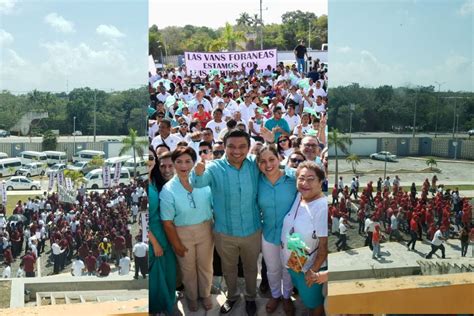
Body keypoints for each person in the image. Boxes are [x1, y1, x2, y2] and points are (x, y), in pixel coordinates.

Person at [192, 129, 261, 316]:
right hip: (224, 232)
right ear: (224, 146)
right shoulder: (214, 168)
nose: (236, 151)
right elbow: (198, 183)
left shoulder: (255, 165)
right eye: (231, 146)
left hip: (252, 230)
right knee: (228, 268)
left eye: (242, 146)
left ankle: (250, 297)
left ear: (249, 147)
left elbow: (277, 166)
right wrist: (197, 172)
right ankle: (232, 297)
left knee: (250, 268)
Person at [161, 147, 214, 312]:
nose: (183, 165)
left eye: (187, 161)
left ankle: (205, 294)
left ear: (193, 162)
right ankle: (191, 297)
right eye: (179, 161)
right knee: (187, 268)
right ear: (174, 164)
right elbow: (167, 222)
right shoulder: (168, 189)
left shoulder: (204, 181)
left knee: (205, 265)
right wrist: (176, 244)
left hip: (206, 229)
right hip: (182, 232)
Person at [281, 161, 328, 316]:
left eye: (310, 179)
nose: (305, 183)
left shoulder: (322, 208)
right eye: (301, 178)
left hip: (310, 268)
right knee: (306, 298)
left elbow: (324, 246)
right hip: (296, 261)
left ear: (321, 182)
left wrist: (313, 271)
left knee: (315, 303)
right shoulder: (300, 196)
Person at [256, 145, 297, 314]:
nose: (268, 165)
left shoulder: (293, 179)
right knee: (272, 269)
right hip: (268, 234)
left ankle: (286, 297)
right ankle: (275, 295)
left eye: (271, 159)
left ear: (279, 158)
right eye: (263, 161)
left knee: (288, 269)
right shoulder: (257, 181)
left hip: (292, 235)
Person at [148, 146, 177, 315]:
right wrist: (155, 243)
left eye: (151, 158)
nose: (148, 162)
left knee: (167, 272)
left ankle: (166, 304)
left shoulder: (154, 180)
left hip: (163, 233)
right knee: (156, 277)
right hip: (153, 237)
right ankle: (156, 308)